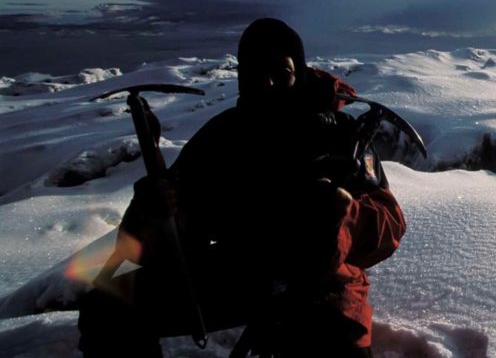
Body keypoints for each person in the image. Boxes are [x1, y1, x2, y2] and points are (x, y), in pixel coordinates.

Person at [77, 18, 406, 357]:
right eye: (256, 73)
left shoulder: (339, 135)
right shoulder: (223, 137)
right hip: (242, 270)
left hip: (323, 280)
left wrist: (342, 215)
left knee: (330, 339)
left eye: (282, 72)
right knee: (107, 308)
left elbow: (390, 223)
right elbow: (179, 230)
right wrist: (148, 215)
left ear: (299, 71)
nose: (268, 83)